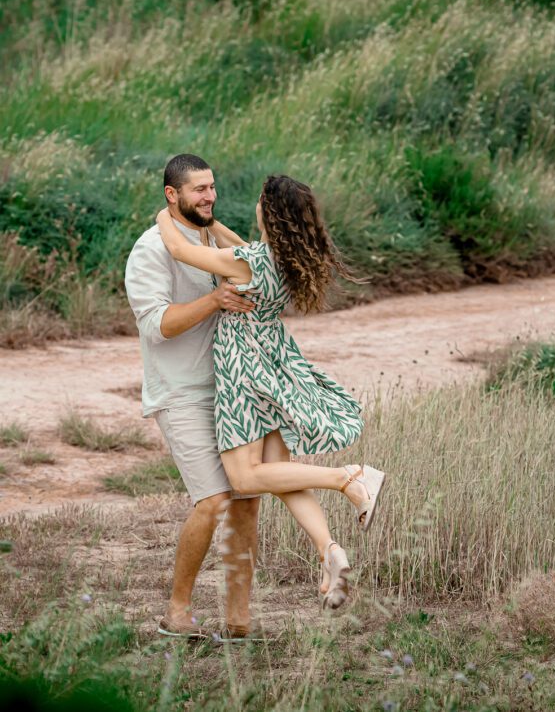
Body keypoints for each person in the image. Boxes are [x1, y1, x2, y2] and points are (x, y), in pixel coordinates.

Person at [154, 172, 386, 610]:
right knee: (281, 474)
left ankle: (348, 477)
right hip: (273, 363)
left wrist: (165, 216)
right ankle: (329, 550)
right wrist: (211, 224)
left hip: (243, 370)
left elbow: (181, 250)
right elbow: (237, 246)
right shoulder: (279, 257)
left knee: (244, 478)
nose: (257, 206)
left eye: (261, 201)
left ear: (270, 213)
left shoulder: (250, 261)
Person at [125, 154, 261, 641]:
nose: (210, 196)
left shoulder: (210, 241)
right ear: (172, 194)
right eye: (199, 189)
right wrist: (214, 300)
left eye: (212, 187)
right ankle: (177, 613)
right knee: (214, 499)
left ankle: (238, 622)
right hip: (179, 392)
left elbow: (253, 262)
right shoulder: (150, 250)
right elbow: (157, 326)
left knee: (246, 500)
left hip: (230, 390)